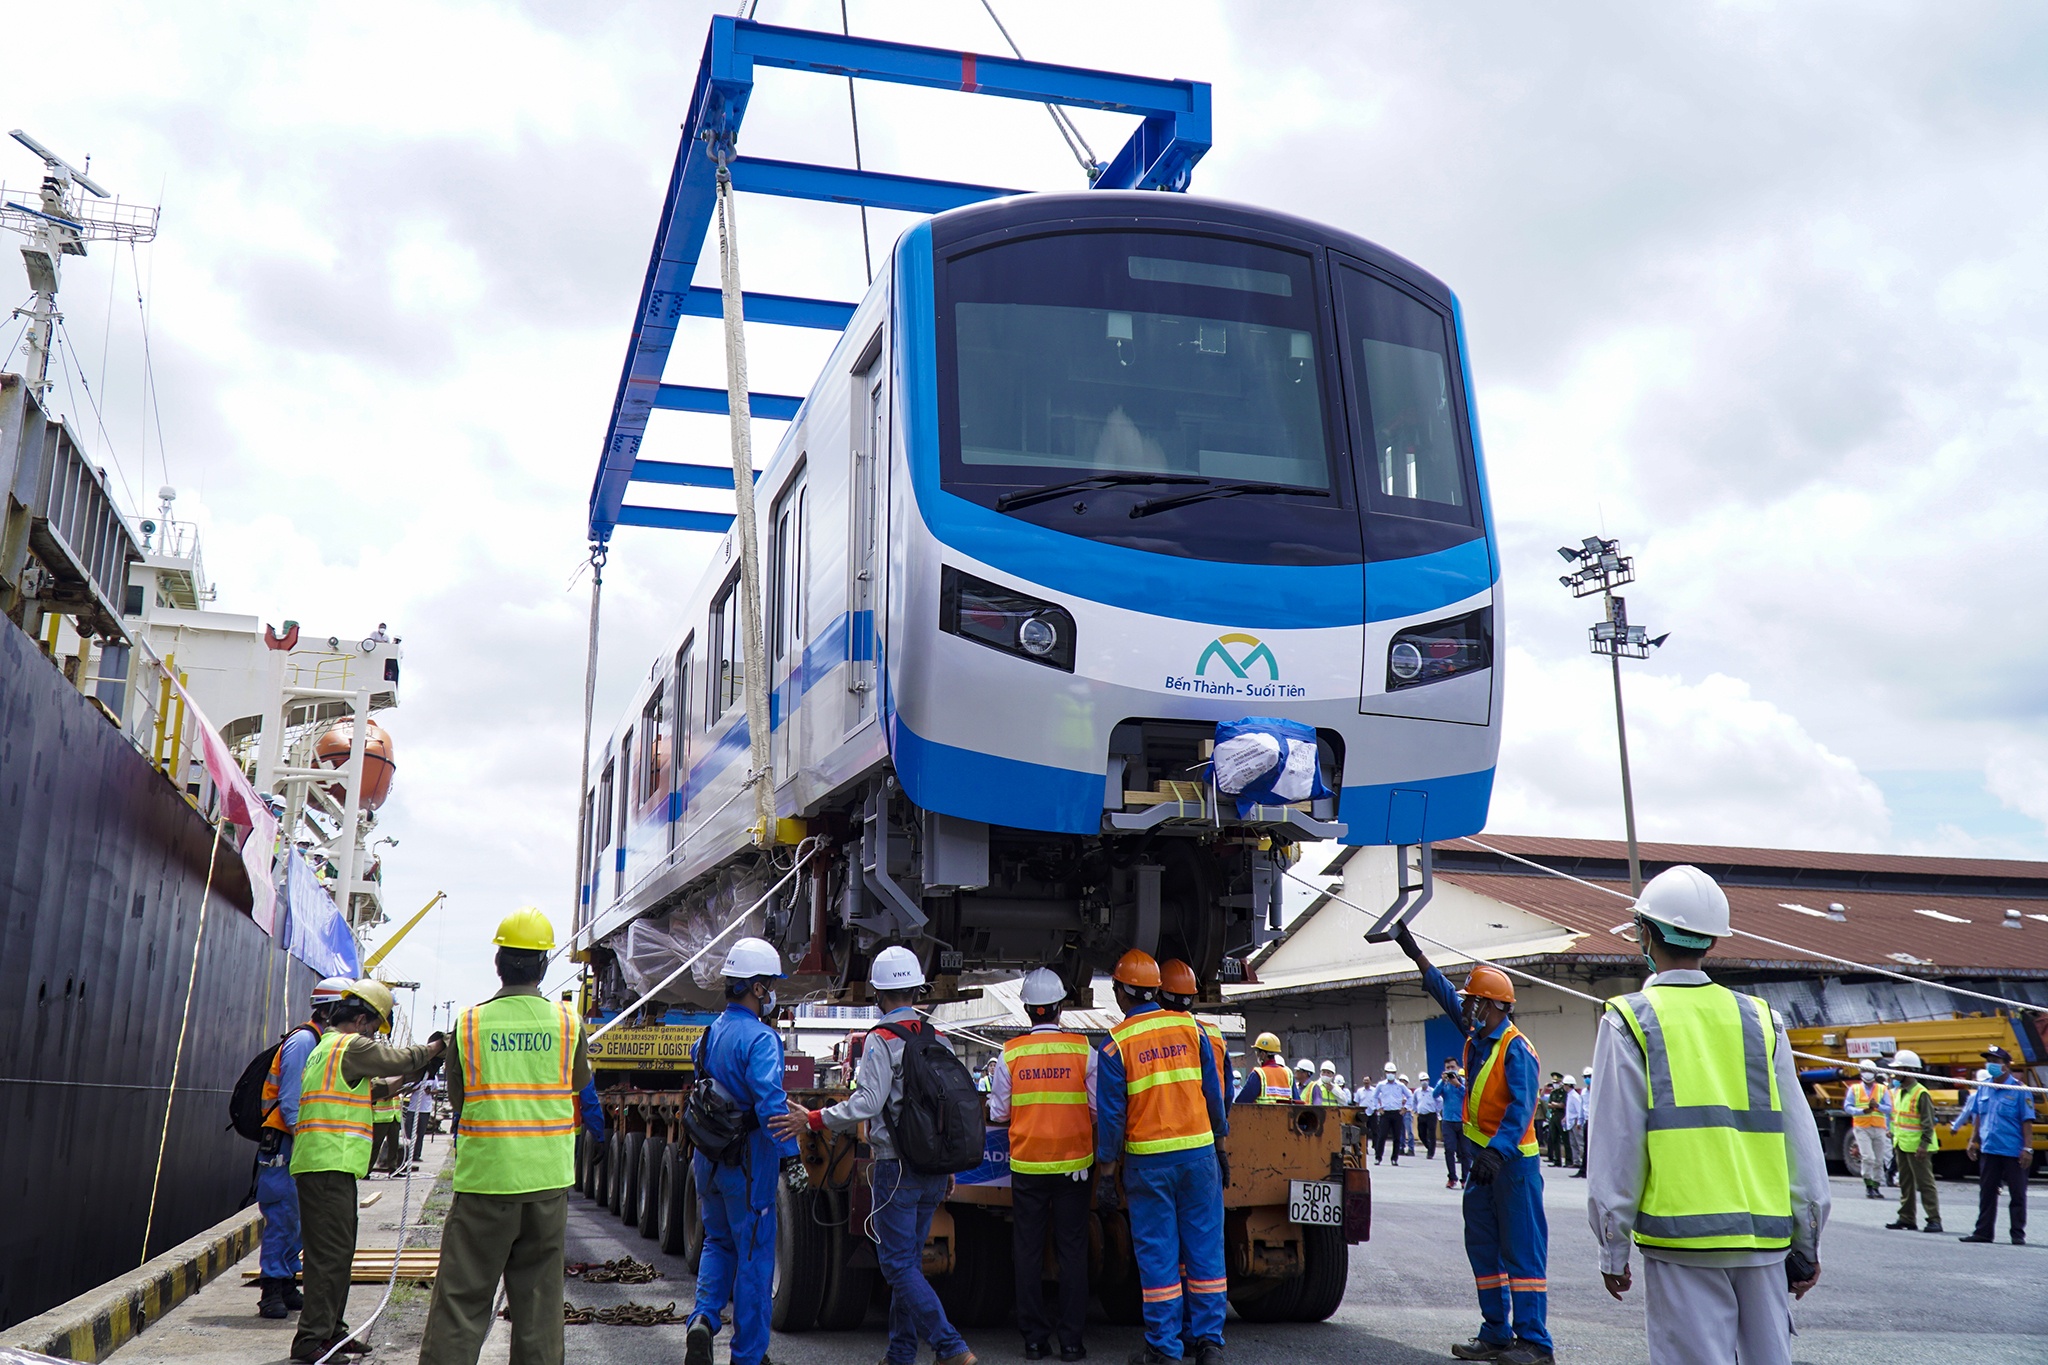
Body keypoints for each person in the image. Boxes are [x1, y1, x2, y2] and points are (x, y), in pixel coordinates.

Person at [1586, 866, 1829, 1365]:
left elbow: (1616, 1146)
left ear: (1645, 935)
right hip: (1763, 1241)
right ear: (1712, 941)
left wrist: (1613, 1247)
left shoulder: (1630, 1018)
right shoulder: (1763, 1018)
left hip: (1681, 1242)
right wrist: (1807, 1241)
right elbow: (1800, 1143)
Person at [774, 946, 977, 1365]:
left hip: (896, 1168)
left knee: (898, 1266)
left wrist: (814, 1118)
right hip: (933, 1168)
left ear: (879, 995)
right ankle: (900, 1352)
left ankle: (950, 1346)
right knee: (909, 1267)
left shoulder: (880, 1040)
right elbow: (949, 1109)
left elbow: (866, 1104)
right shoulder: (938, 1038)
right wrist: (948, 1165)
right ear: (916, 990)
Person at [418, 910, 591, 1365]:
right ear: (544, 966)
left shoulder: (470, 1025)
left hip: (485, 1184)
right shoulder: (569, 1024)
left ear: (499, 962)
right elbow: (578, 1082)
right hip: (546, 1185)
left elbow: (458, 1099)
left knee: (461, 1301)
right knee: (539, 1308)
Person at [1392, 926, 1551, 1365]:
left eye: (1473, 1001)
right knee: (1482, 1247)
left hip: (1512, 1164)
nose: (1467, 1006)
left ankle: (1536, 1343)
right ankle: (1496, 1333)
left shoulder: (1517, 1050)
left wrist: (1498, 1152)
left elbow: (1523, 1108)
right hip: (1483, 1161)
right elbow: (1445, 993)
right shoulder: (1478, 1036)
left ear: (1493, 1006)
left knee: (1521, 1250)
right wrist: (1416, 954)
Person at [291, 978, 444, 1363]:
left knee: (338, 1254)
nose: (376, 1037)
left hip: (326, 1166)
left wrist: (413, 1075)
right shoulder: (352, 1045)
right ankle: (312, 1340)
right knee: (329, 1257)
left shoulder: (328, 1047)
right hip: (328, 1165)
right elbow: (401, 1059)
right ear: (361, 1020)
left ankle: (333, 1332)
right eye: (376, 1028)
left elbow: (375, 1090)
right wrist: (437, 1046)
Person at [664, 935, 800, 1365]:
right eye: (770, 984)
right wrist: (792, 1155)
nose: (773, 992)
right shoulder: (761, 1040)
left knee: (716, 1244)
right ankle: (748, 1355)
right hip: (748, 1166)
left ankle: (702, 1319)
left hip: (709, 1161)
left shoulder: (708, 1035)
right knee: (756, 1258)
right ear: (757, 988)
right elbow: (770, 1103)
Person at [1095, 949, 1228, 1365]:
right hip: (1199, 1156)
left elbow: (1113, 1119)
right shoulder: (1192, 1028)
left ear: (1122, 993)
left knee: (1158, 1255)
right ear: (1154, 990)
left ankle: (1165, 1348)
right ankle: (1209, 1344)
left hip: (1149, 1164)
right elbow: (1214, 1095)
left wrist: (1106, 1171)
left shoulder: (1117, 1044)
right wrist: (1221, 1148)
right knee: (1205, 1248)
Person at [990, 968, 1096, 1362]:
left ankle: (1034, 1340)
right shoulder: (1084, 1050)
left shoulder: (1011, 1052)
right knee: (1072, 1252)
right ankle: (1072, 1342)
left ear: (1027, 1010)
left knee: (1028, 1251)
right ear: (1059, 1007)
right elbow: (1099, 1109)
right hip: (1075, 1167)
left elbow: (999, 1112)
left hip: (1028, 1166)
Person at [255, 976, 351, 1320]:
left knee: (298, 1215)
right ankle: (270, 1289)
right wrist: (307, 1139)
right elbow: (292, 1102)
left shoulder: (320, 1042)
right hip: (285, 1143)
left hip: (300, 1141)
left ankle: (285, 1282)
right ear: (333, 1010)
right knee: (283, 1214)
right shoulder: (303, 1042)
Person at [1952, 1045, 2034, 1246]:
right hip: (1990, 1149)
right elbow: (1979, 1115)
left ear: (2006, 1066)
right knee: (1987, 1192)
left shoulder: (2019, 1090)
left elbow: (2027, 1122)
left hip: (2013, 1150)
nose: (1991, 1065)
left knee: (2017, 1194)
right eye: (1989, 1061)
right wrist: (1974, 1139)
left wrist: (2028, 1148)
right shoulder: (1984, 1087)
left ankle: (2017, 1233)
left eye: (1996, 1062)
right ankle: (1983, 1232)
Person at [1882, 1049, 1941, 1233]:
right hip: (1902, 1144)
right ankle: (1906, 1218)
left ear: (1907, 1070)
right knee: (1906, 1184)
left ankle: (1934, 1219)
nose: (1894, 1073)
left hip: (1918, 1147)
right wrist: (1893, 1133)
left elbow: (1928, 1123)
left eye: (1897, 1069)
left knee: (1925, 1184)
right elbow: (1899, 1117)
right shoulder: (1899, 1091)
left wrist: (1923, 1145)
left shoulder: (1920, 1093)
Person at [1161, 959, 1231, 1100]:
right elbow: (1226, 1090)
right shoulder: (1214, 1034)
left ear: (1158, 995)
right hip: (1205, 1119)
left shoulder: (1150, 1034)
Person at [1842, 1065, 1892, 1200]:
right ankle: (1869, 1186)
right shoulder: (1854, 1089)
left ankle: (1876, 1186)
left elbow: (1889, 1108)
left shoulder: (1882, 1089)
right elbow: (1848, 1107)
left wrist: (1878, 1106)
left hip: (1879, 1127)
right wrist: (1862, 1111)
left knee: (1878, 1159)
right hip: (1862, 1127)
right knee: (1868, 1157)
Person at [1434, 1059, 1468, 1189]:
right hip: (1448, 1121)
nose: (1450, 1070)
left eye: (1452, 1067)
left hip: (1462, 1121)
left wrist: (1457, 1084)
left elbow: (1467, 1094)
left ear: (1457, 1067)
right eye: (1448, 1067)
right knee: (1449, 1150)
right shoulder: (1443, 1083)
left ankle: (1465, 1178)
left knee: (1465, 1152)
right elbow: (1435, 1094)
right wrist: (1443, 1081)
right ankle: (1452, 1177)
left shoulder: (1463, 1082)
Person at [1236, 1033, 1296, 1104]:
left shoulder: (1258, 1074)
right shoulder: (1288, 1073)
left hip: (1263, 1114)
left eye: (1257, 1052)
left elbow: (1242, 1101)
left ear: (1263, 1054)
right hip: (1286, 1115)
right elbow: (1297, 1101)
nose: (1256, 1055)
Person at [1369, 1063, 1410, 1166]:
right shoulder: (1381, 1085)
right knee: (1382, 1136)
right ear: (1385, 1073)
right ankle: (1378, 1157)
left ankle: (1394, 1158)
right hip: (1385, 1113)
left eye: (1392, 1072)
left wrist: (1405, 1108)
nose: (1390, 1074)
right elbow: (1374, 1097)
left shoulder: (1400, 1085)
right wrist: (1378, 1108)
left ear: (1395, 1073)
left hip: (1397, 1113)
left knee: (1397, 1137)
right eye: (1388, 1072)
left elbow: (1410, 1096)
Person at [1561, 1075, 1586, 1180]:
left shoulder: (1575, 1096)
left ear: (1569, 1085)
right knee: (1573, 1143)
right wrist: (1566, 1118)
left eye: (1565, 1085)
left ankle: (1582, 1161)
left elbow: (1578, 1109)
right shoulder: (1570, 1095)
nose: (1563, 1087)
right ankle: (1576, 1161)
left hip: (1575, 1122)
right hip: (1571, 1122)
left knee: (1580, 1143)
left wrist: (1578, 1121)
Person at [1543, 1075, 1569, 1167]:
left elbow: (1562, 1105)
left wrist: (1555, 1104)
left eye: (1557, 1082)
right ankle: (1557, 1160)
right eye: (1554, 1083)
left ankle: (1569, 1161)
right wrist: (1555, 1104)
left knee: (1565, 1139)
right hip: (1553, 1116)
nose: (1555, 1084)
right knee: (1554, 1139)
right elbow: (1549, 1104)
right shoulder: (1553, 1092)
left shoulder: (1564, 1092)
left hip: (1561, 1115)